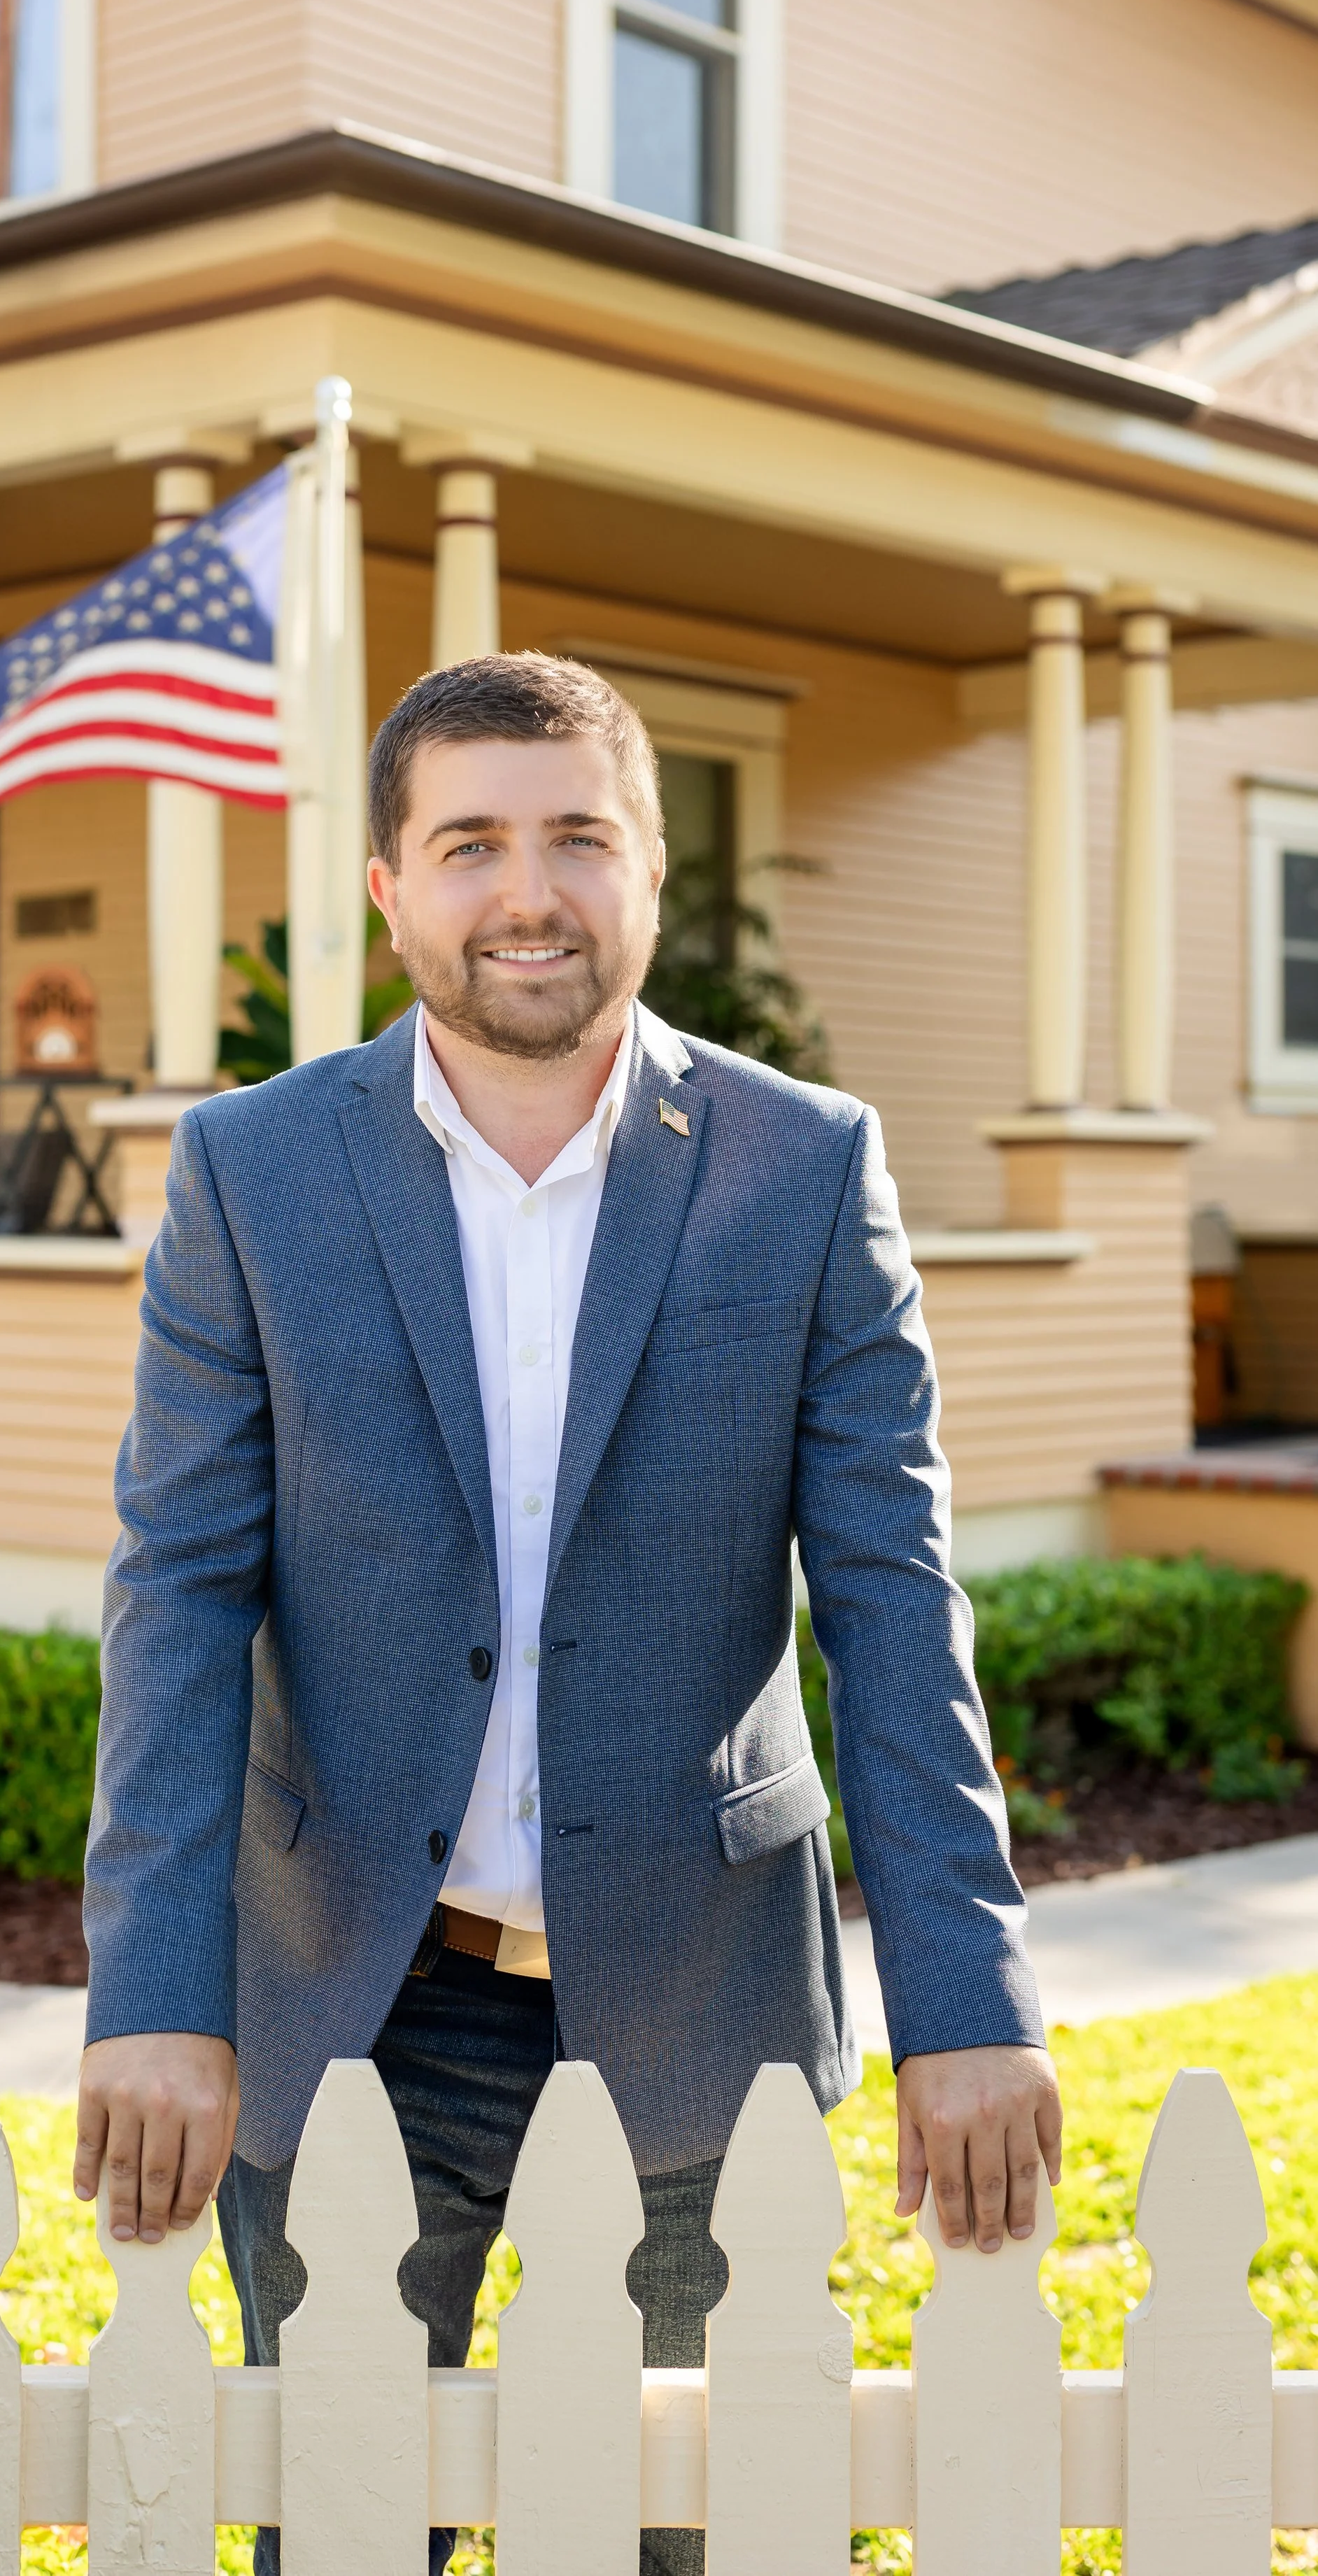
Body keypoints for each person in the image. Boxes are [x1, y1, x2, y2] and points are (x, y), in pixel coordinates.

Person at [76, 653, 1058, 2576]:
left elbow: (888, 1590)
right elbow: (175, 1596)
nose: (525, 890)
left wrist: (962, 1989)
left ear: (649, 867)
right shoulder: (252, 1172)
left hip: (695, 1973)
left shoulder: (803, 1168)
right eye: (469, 842)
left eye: (575, 836)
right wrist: (159, 1986)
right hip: (352, 1975)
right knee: (347, 2524)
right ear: (387, 886)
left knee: (686, 2528)